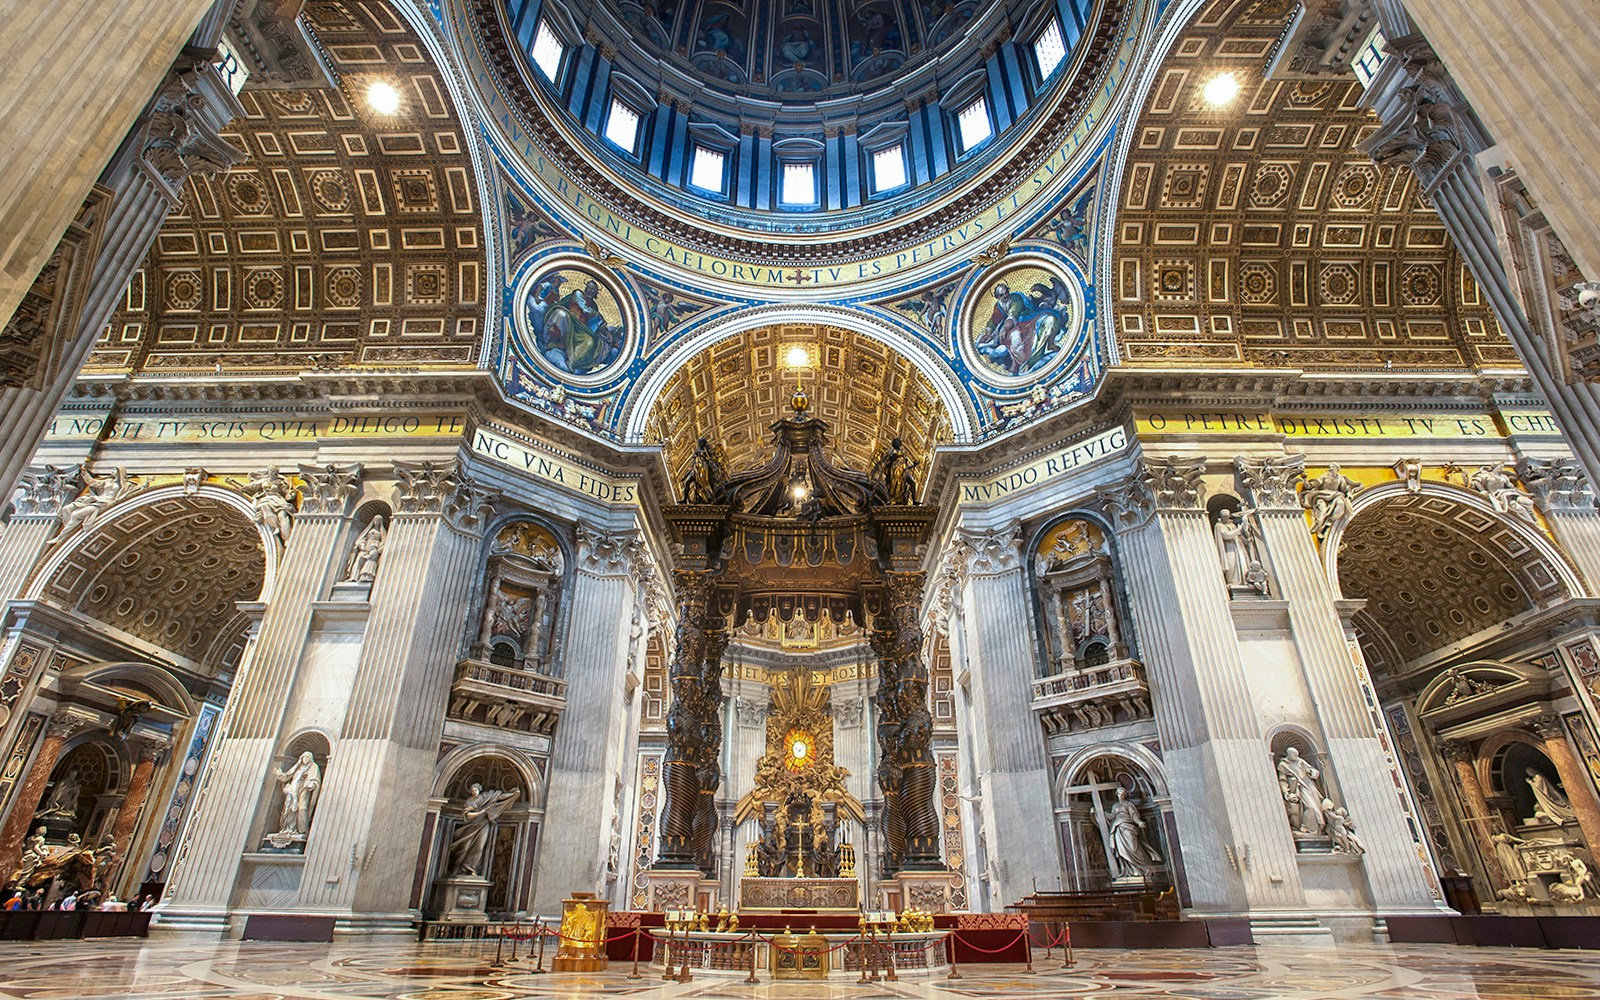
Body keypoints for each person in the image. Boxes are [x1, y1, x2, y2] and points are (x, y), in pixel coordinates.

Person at [446, 784, 520, 877]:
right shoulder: (469, 801)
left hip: (483, 826)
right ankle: (459, 869)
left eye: (476, 789)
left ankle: (471, 868)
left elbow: (500, 797)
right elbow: (467, 815)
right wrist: (481, 812)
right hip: (471, 826)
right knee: (464, 848)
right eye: (472, 790)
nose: (474, 791)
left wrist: (513, 794)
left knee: (479, 847)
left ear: (480, 790)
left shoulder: (486, 796)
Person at [1107, 787, 1163, 879]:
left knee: (1133, 848)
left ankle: (1144, 868)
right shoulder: (1115, 806)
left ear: (1125, 795)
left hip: (1128, 828)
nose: (1120, 795)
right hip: (1118, 829)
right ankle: (1130, 870)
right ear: (1116, 794)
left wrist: (1139, 822)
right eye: (1119, 793)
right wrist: (1099, 813)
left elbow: (1134, 815)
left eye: (1122, 794)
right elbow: (1112, 816)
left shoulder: (1128, 804)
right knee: (1122, 850)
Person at [1277, 747, 1326, 835]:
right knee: (1311, 807)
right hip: (1297, 788)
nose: (1296, 756)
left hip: (1309, 786)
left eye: (1297, 755)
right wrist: (1286, 792)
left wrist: (1309, 771)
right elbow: (1282, 780)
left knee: (1317, 807)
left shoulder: (1301, 762)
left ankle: (1317, 830)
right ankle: (1307, 828)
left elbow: (1315, 773)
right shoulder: (1283, 765)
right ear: (1289, 755)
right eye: (1294, 755)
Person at [272, 751, 322, 837]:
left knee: (302, 808)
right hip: (292, 790)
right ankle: (287, 828)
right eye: (304, 757)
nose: (305, 759)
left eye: (307, 758)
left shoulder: (313, 767)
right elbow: (287, 776)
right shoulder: (298, 768)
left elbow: (315, 779)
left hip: (303, 791)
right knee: (288, 809)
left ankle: (302, 830)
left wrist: (311, 784)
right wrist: (280, 774)